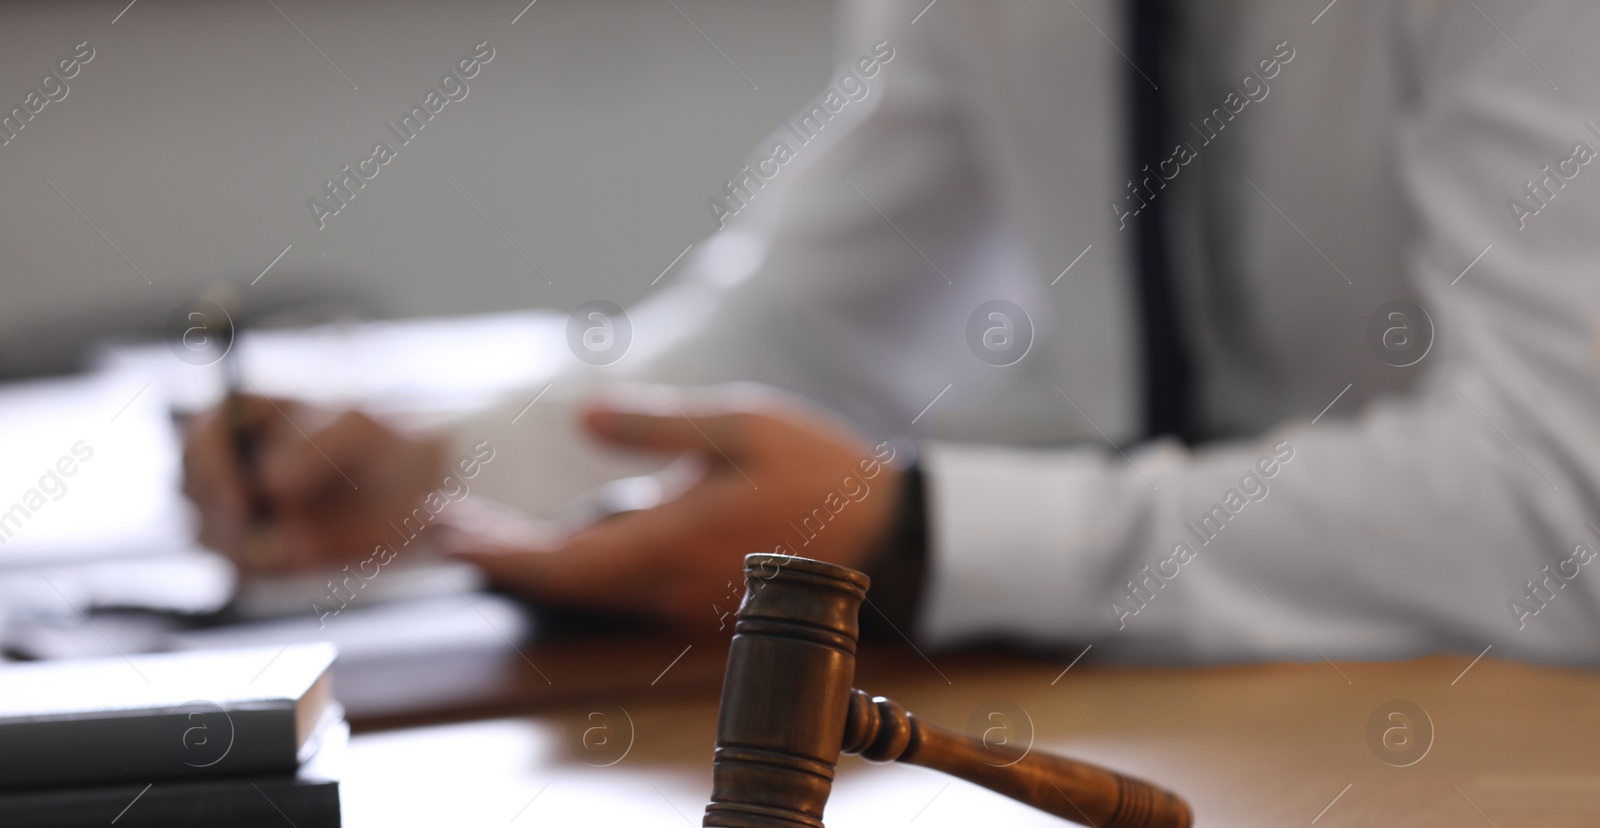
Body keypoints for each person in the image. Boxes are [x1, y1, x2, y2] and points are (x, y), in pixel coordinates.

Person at [185, 0, 1600, 665]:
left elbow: (1558, 511)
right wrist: (453, 466)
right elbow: (809, 325)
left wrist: (921, 536)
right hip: (1230, 734)